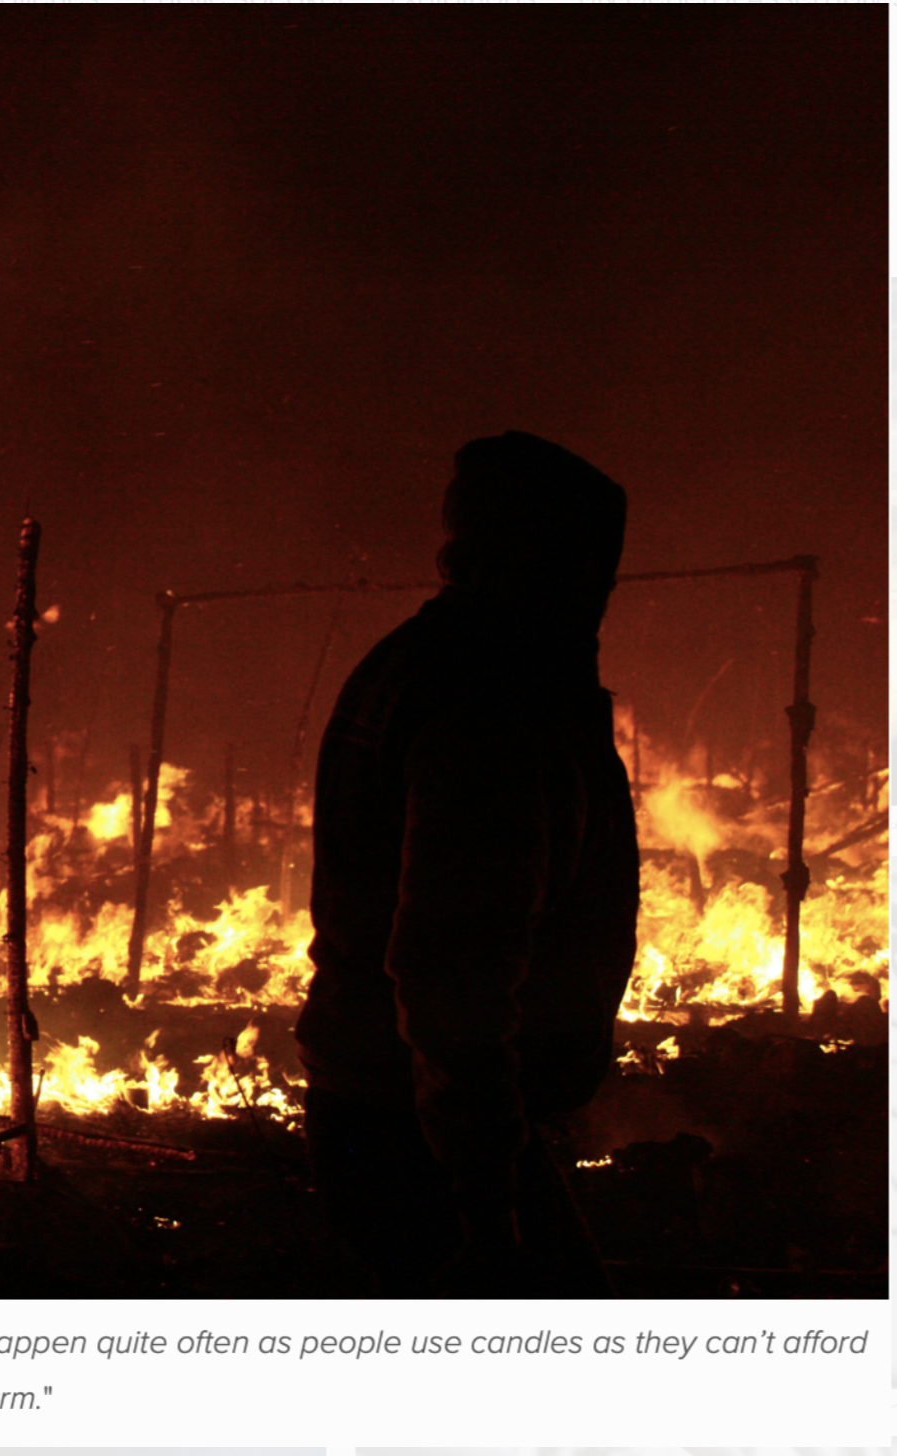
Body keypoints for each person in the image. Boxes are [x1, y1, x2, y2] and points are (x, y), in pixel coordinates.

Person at [296, 431, 640, 1297]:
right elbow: (453, 971)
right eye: (593, 566)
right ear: (550, 559)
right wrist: (488, 1202)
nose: (600, 593)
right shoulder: (497, 704)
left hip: (389, 1103)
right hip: (426, 1130)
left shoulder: (417, 659)